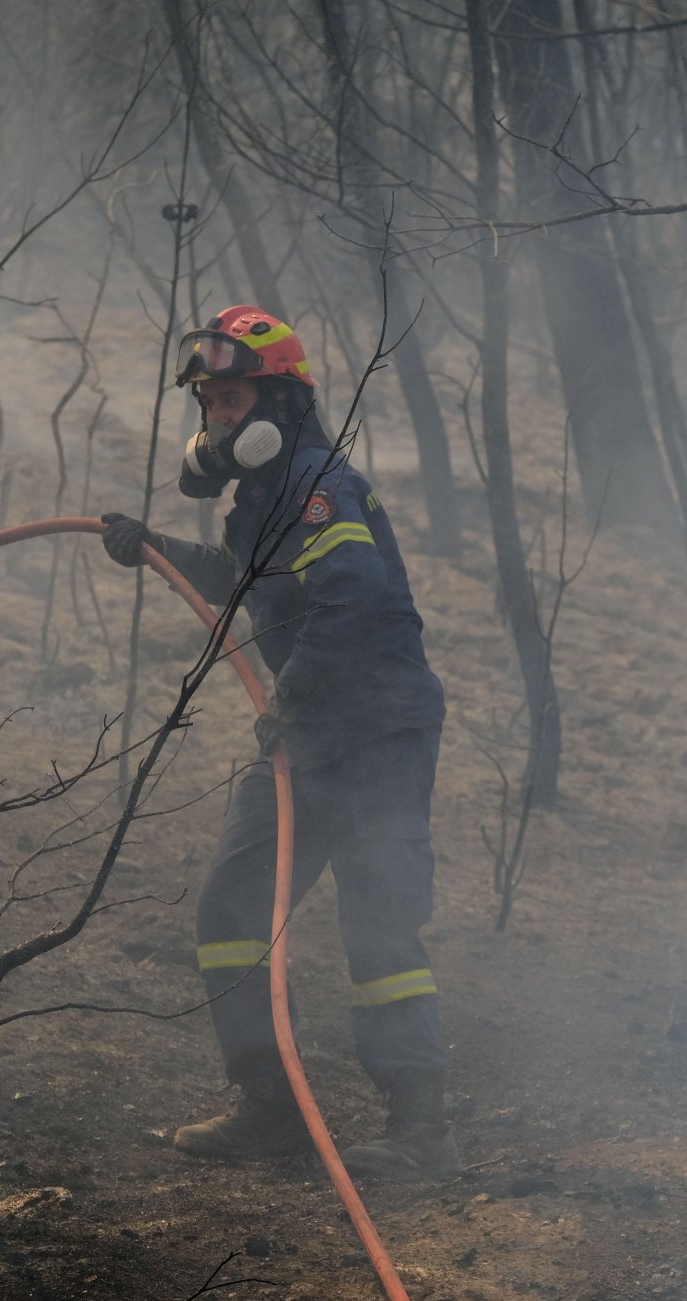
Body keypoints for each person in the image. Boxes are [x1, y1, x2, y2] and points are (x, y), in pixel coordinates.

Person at [99, 304, 456, 1180]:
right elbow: (246, 582)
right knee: (232, 903)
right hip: (306, 732)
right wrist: (153, 549)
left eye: (234, 396)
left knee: (378, 927)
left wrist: (288, 699)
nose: (219, 414)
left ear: (278, 400)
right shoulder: (260, 493)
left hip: (374, 731)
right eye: (209, 400)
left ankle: (420, 1130)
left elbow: (352, 599)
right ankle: (273, 1105)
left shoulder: (315, 480)